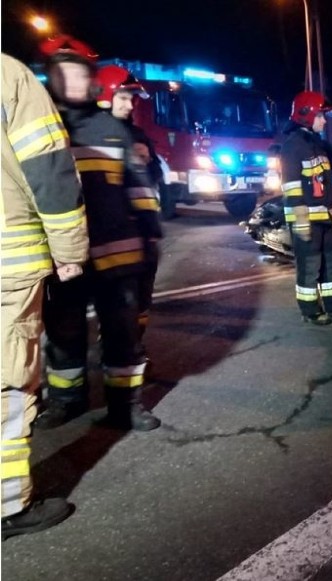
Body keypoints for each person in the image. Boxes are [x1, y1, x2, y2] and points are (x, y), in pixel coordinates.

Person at [34, 35, 163, 431]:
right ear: (52, 78)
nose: (73, 82)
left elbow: (138, 187)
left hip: (119, 255)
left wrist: (151, 235)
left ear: (91, 79)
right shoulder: (43, 128)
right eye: (65, 73)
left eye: (80, 73)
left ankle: (125, 407)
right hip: (64, 258)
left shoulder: (112, 128)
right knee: (64, 333)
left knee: (123, 334)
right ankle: (66, 402)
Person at [1, 53, 89, 539]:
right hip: (6, 266)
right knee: (8, 384)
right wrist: (69, 249)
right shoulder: (8, 77)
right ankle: (8, 507)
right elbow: (51, 173)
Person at [274, 90, 332, 325]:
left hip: (324, 219)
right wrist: (301, 221)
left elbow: (324, 184)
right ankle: (310, 310)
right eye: (321, 116)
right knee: (309, 266)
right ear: (306, 115)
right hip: (306, 221)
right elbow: (292, 188)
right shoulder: (293, 146)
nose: (324, 121)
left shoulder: (316, 145)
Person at [95, 64, 162, 348]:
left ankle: (135, 344)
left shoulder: (138, 135)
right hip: (111, 237)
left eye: (131, 99)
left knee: (142, 300)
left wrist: (147, 162)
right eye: (123, 97)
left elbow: (157, 175)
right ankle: (117, 347)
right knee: (118, 302)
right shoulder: (92, 136)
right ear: (105, 97)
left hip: (143, 235)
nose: (129, 104)